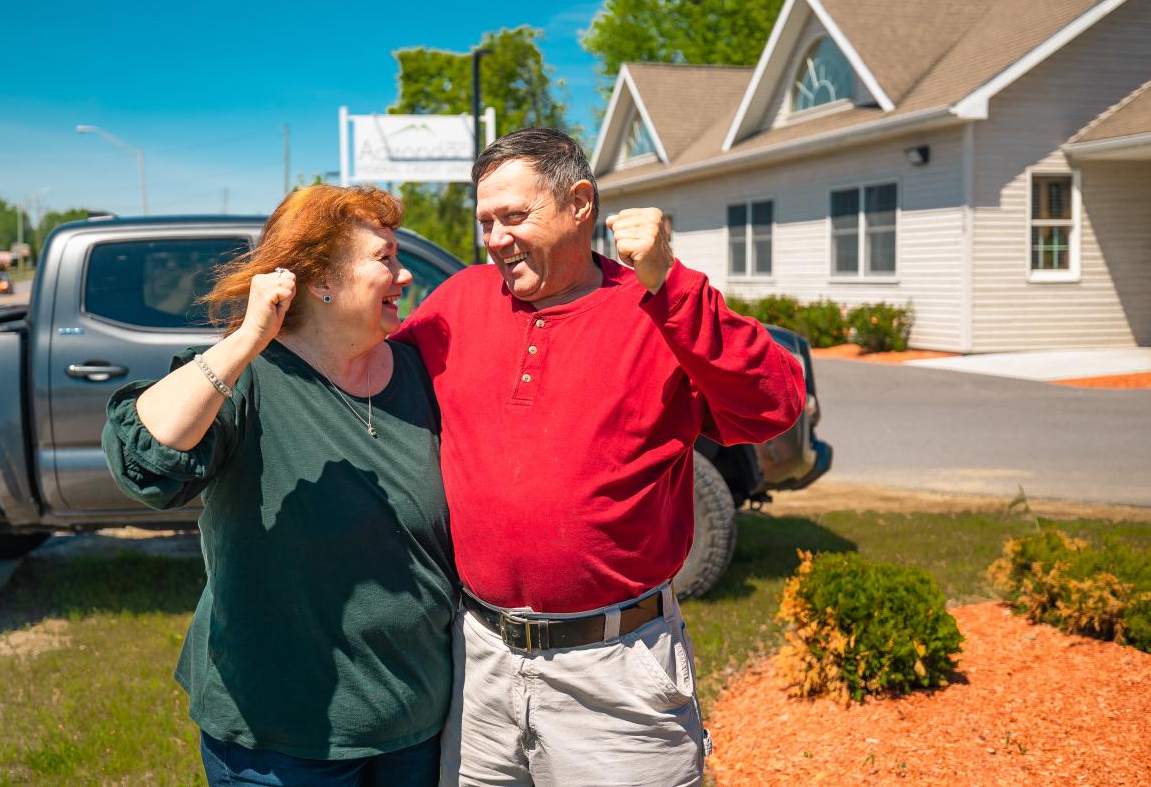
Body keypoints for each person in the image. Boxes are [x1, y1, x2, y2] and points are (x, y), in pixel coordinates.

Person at [392, 128, 806, 786]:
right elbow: (367, 380)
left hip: (616, 673)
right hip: (480, 665)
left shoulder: (656, 308)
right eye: (485, 222)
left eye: (514, 217)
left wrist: (669, 281)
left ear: (580, 203)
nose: (495, 238)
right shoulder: (459, 301)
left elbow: (773, 405)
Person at [102, 186, 457, 787]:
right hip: (280, 739)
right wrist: (245, 338)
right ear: (320, 278)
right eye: (384, 258)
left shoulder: (419, 373)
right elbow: (147, 462)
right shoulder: (249, 376)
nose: (402, 276)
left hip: (413, 723)